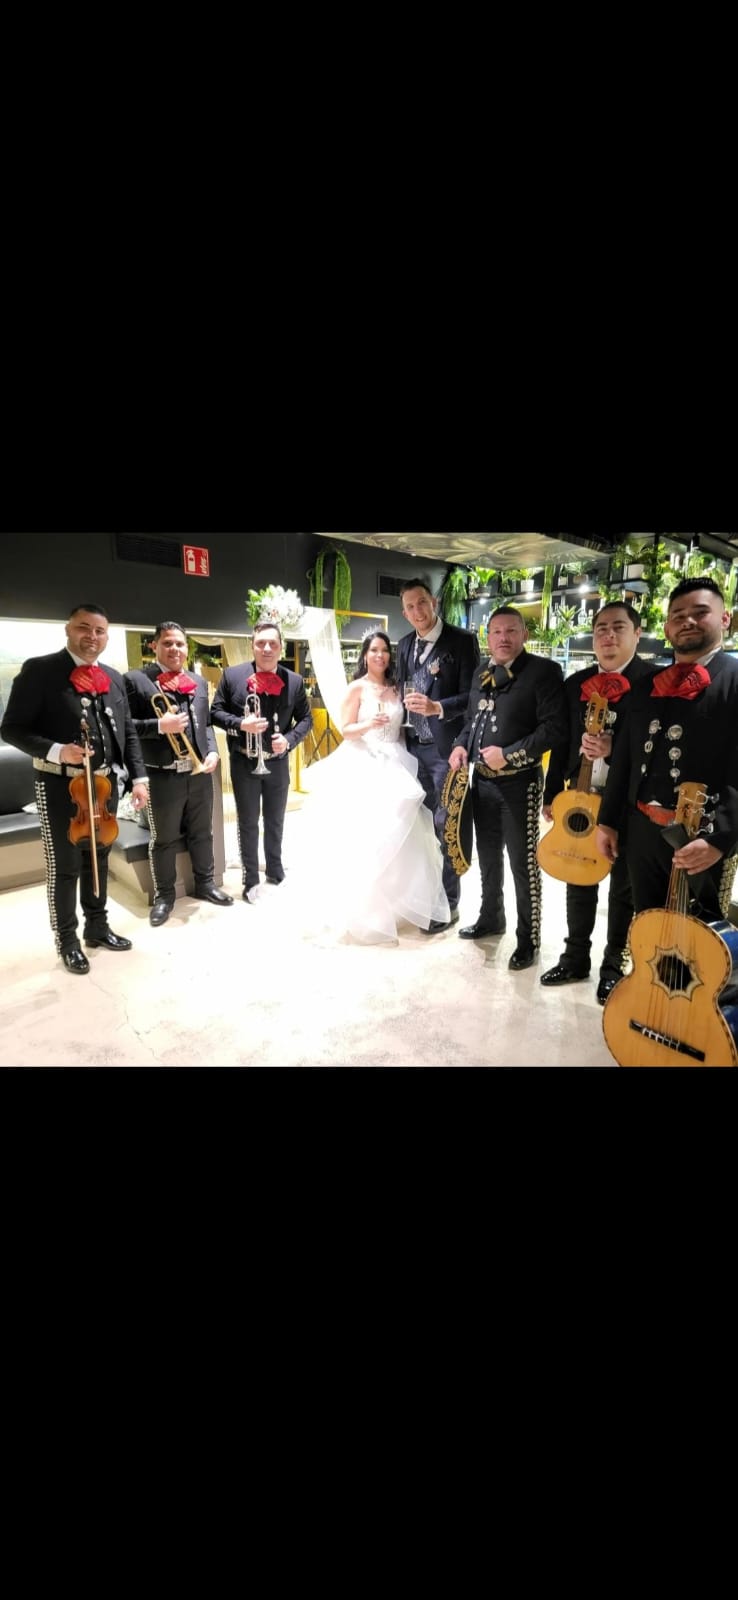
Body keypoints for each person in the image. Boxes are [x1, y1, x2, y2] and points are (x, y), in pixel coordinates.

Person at [0, 603, 149, 975]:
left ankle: (97, 928)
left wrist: (139, 778)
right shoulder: (40, 671)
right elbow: (11, 729)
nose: (92, 636)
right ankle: (67, 941)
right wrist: (56, 750)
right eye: (84, 627)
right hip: (59, 787)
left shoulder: (113, 677)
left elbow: (127, 732)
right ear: (68, 630)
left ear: (107, 636)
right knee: (65, 867)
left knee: (98, 860)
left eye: (99, 630)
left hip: (105, 787)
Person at [597, 578, 738, 922]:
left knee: (699, 937)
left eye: (700, 612)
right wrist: (609, 821)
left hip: (702, 836)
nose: (687, 621)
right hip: (642, 831)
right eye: (678, 615)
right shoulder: (646, 685)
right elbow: (625, 759)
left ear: (725, 619)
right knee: (647, 922)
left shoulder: (735, 680)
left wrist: (721, 838)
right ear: (666, 627)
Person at [302, 631, 449, 943]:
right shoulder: (356, 687)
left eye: (384, 650)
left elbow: (402, 728)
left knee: (402, 832)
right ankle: (363, 909)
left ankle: (397, 903)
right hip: (363, 760)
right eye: (373, 650)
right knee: (366, 835)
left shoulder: (398, 688)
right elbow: (346, 729)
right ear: (365, 655)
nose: (380, 655)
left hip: (396, 761)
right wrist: (369, 724)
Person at [539, 601, 652, 1004]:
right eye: (601, 628)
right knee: (578, 874)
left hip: (628, 802)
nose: (608, 636)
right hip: (579, 793)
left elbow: (654, 747)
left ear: (637, 633)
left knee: (622, 888)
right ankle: (575, 958)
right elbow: (562, 741)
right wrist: (552, 792)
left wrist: (614, 747)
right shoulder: (576, 683)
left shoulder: (653, 683)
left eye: (618, 627)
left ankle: (612, 966)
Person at [447, 606, 568, 970]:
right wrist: (460, 745)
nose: (503, 638)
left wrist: (509, 754)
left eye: (511, 630)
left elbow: (554, 729)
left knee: (523, 864)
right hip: (482, 781)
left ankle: (528, 938)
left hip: (520, 783)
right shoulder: (482, 671)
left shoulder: (544, 671)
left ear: (524, 635)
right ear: (488, 637)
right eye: (496, 631)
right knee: (488, 857)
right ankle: (491, 917)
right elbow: (472, 720)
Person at [124, 621, 234, 926]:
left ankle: (206, 884)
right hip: (161, 776)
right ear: (154, 646)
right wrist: (160, 726)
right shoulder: (136, 680)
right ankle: (164, 896)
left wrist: (212, 751)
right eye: (168, 643)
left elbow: (205, 724)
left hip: (199, 774)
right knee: (164, 839)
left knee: (203, 832)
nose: (175, 649)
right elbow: (124, 727)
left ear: (187, 648)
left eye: (180, 644)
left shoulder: (197, 681)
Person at [395, 577, 480, 932]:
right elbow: (398, 687)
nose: (417, 611)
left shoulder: (462, 641)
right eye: (409, 607)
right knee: (419, 828)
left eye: (421, 603)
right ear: (404, 612)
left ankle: (448, 904)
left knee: (448, 826)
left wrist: (437, 707)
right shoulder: (404, 645)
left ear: (434, 602)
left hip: (446, 751)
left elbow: (474, 697)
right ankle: (422, 896)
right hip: (410, 748)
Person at [210, 621, 312, 899]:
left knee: (275, 820)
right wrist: (240, 723)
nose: (267, 648)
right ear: (252, 645)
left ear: (281, 647)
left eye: (273, 643)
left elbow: (306, 719)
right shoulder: (232, 676)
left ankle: (275, 871)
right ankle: (250, 877)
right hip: (244, 762)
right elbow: (215, 712)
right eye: (261, 643)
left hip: (277, 762)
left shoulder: (294, 681)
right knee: (248, 822)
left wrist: (289, 740)